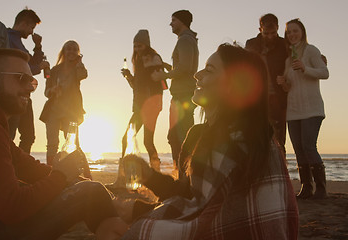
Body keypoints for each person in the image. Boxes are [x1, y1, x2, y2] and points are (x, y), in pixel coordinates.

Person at [0, 48, 127, 240]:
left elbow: (31, 169)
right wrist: (62, 176)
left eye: (32, 82)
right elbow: (13, 208)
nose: (30, 88)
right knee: (90, 193)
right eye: (21, 79)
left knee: (91, 191)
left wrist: (76, 180)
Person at [117, 44, 298, 239]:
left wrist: (137, 212)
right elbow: (191, 196)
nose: (197, 75)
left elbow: (198, 212)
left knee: (106, 217)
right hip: (212, 223)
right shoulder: (203, 135)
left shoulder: (239, 141)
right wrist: (149, 177)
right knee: (96, 198)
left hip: (222, 230)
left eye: (209, 69)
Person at [276, 19, 329, 199]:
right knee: (298, 149)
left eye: (295, 31)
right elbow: (289, 86)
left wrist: (306, 68)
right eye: (289, 32)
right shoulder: (288, 58)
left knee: (308, 146)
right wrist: (283, 83)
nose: (292, 34)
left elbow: (325, 73)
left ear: (302, 32)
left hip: (312, 109)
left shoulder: (311, 50)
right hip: (293, 111)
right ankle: (306, 188)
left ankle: (321, 189)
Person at [152, 10, 199, 171]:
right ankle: (182, 174)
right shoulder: (187, 39)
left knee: (179, 138)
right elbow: (184, 66)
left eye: (173, 20)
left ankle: (182, 176)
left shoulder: (185, 40)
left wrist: (163, 75)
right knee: (178, 137)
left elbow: (185, 68)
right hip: (182, 95)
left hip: (183, 96)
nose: (170, 23)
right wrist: (168, 67)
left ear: (182, 21)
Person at [40, 40, 89, 175]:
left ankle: (86, 175)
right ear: (63, 51)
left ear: (78, 53)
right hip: (53, 111)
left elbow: (83, 75)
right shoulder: (54, 70)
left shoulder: (77, 69)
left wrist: (79, 63)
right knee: (52, 144)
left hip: (71, 111)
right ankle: (49, 173)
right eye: (69, 49)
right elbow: (46, 92)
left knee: (74, 144)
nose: (71, 52)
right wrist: (53, 90)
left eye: (75, 49)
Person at [121, 29, 166, 170]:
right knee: (140, 140)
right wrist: (129, 76)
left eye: (140, 45)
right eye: (135, 46)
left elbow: (157, 81)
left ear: (147, 45)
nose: (137, 49)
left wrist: (152, 66)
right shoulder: (139, 62)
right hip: (140, 106)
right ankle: (153, 170)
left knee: (135, 139)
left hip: (150, 106)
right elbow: (137, 87)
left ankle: (127, 173)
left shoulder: (152, 58)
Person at [245, 13, 289, 155]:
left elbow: (299, 53)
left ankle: (281, 172)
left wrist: (319, 57)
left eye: (273, 33)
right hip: (257, 98)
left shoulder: (284, 44)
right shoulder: (251, 44)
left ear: (278, 28)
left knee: (279, 139)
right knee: (256, 136)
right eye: (266, 33)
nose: (270, 36)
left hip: (278, 97)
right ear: (260, 29)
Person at [7, 8, 50, 153]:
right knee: (9, 135)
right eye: (31, 27)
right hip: (13, 94)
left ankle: (19, 169)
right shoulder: (7, 38)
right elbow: (20, 68)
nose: (32, 32)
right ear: (24, 23)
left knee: (29, 136)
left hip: (25, 95)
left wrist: (38, 47)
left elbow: (30, 62)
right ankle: (7, 168)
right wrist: (39, 67)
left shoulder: (18, 41)